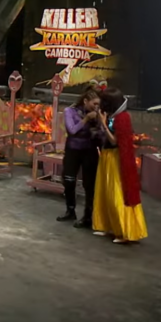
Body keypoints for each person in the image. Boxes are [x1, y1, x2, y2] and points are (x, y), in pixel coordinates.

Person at [92, 87, 148, 244]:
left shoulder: (122, 118)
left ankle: (123, 231)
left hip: (116, 159)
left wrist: (103, 124)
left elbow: (115, 141)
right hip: (107, 156)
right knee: (105, 192)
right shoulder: (112, 116)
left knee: (115, 193)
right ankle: (107, 225)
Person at [57, 86, 102, 228]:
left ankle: (88, 216)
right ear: (85, 101)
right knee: (69, 180)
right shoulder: (70, 111)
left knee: (89, 184)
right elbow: (72, 130)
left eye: (98, 104)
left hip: (89, 151)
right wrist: (86, 119)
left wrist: (99, 121)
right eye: (94, 104)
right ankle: (70, 210)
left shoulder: (98, 114)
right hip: (73, 150)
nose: (96, 106)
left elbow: (101, 133)